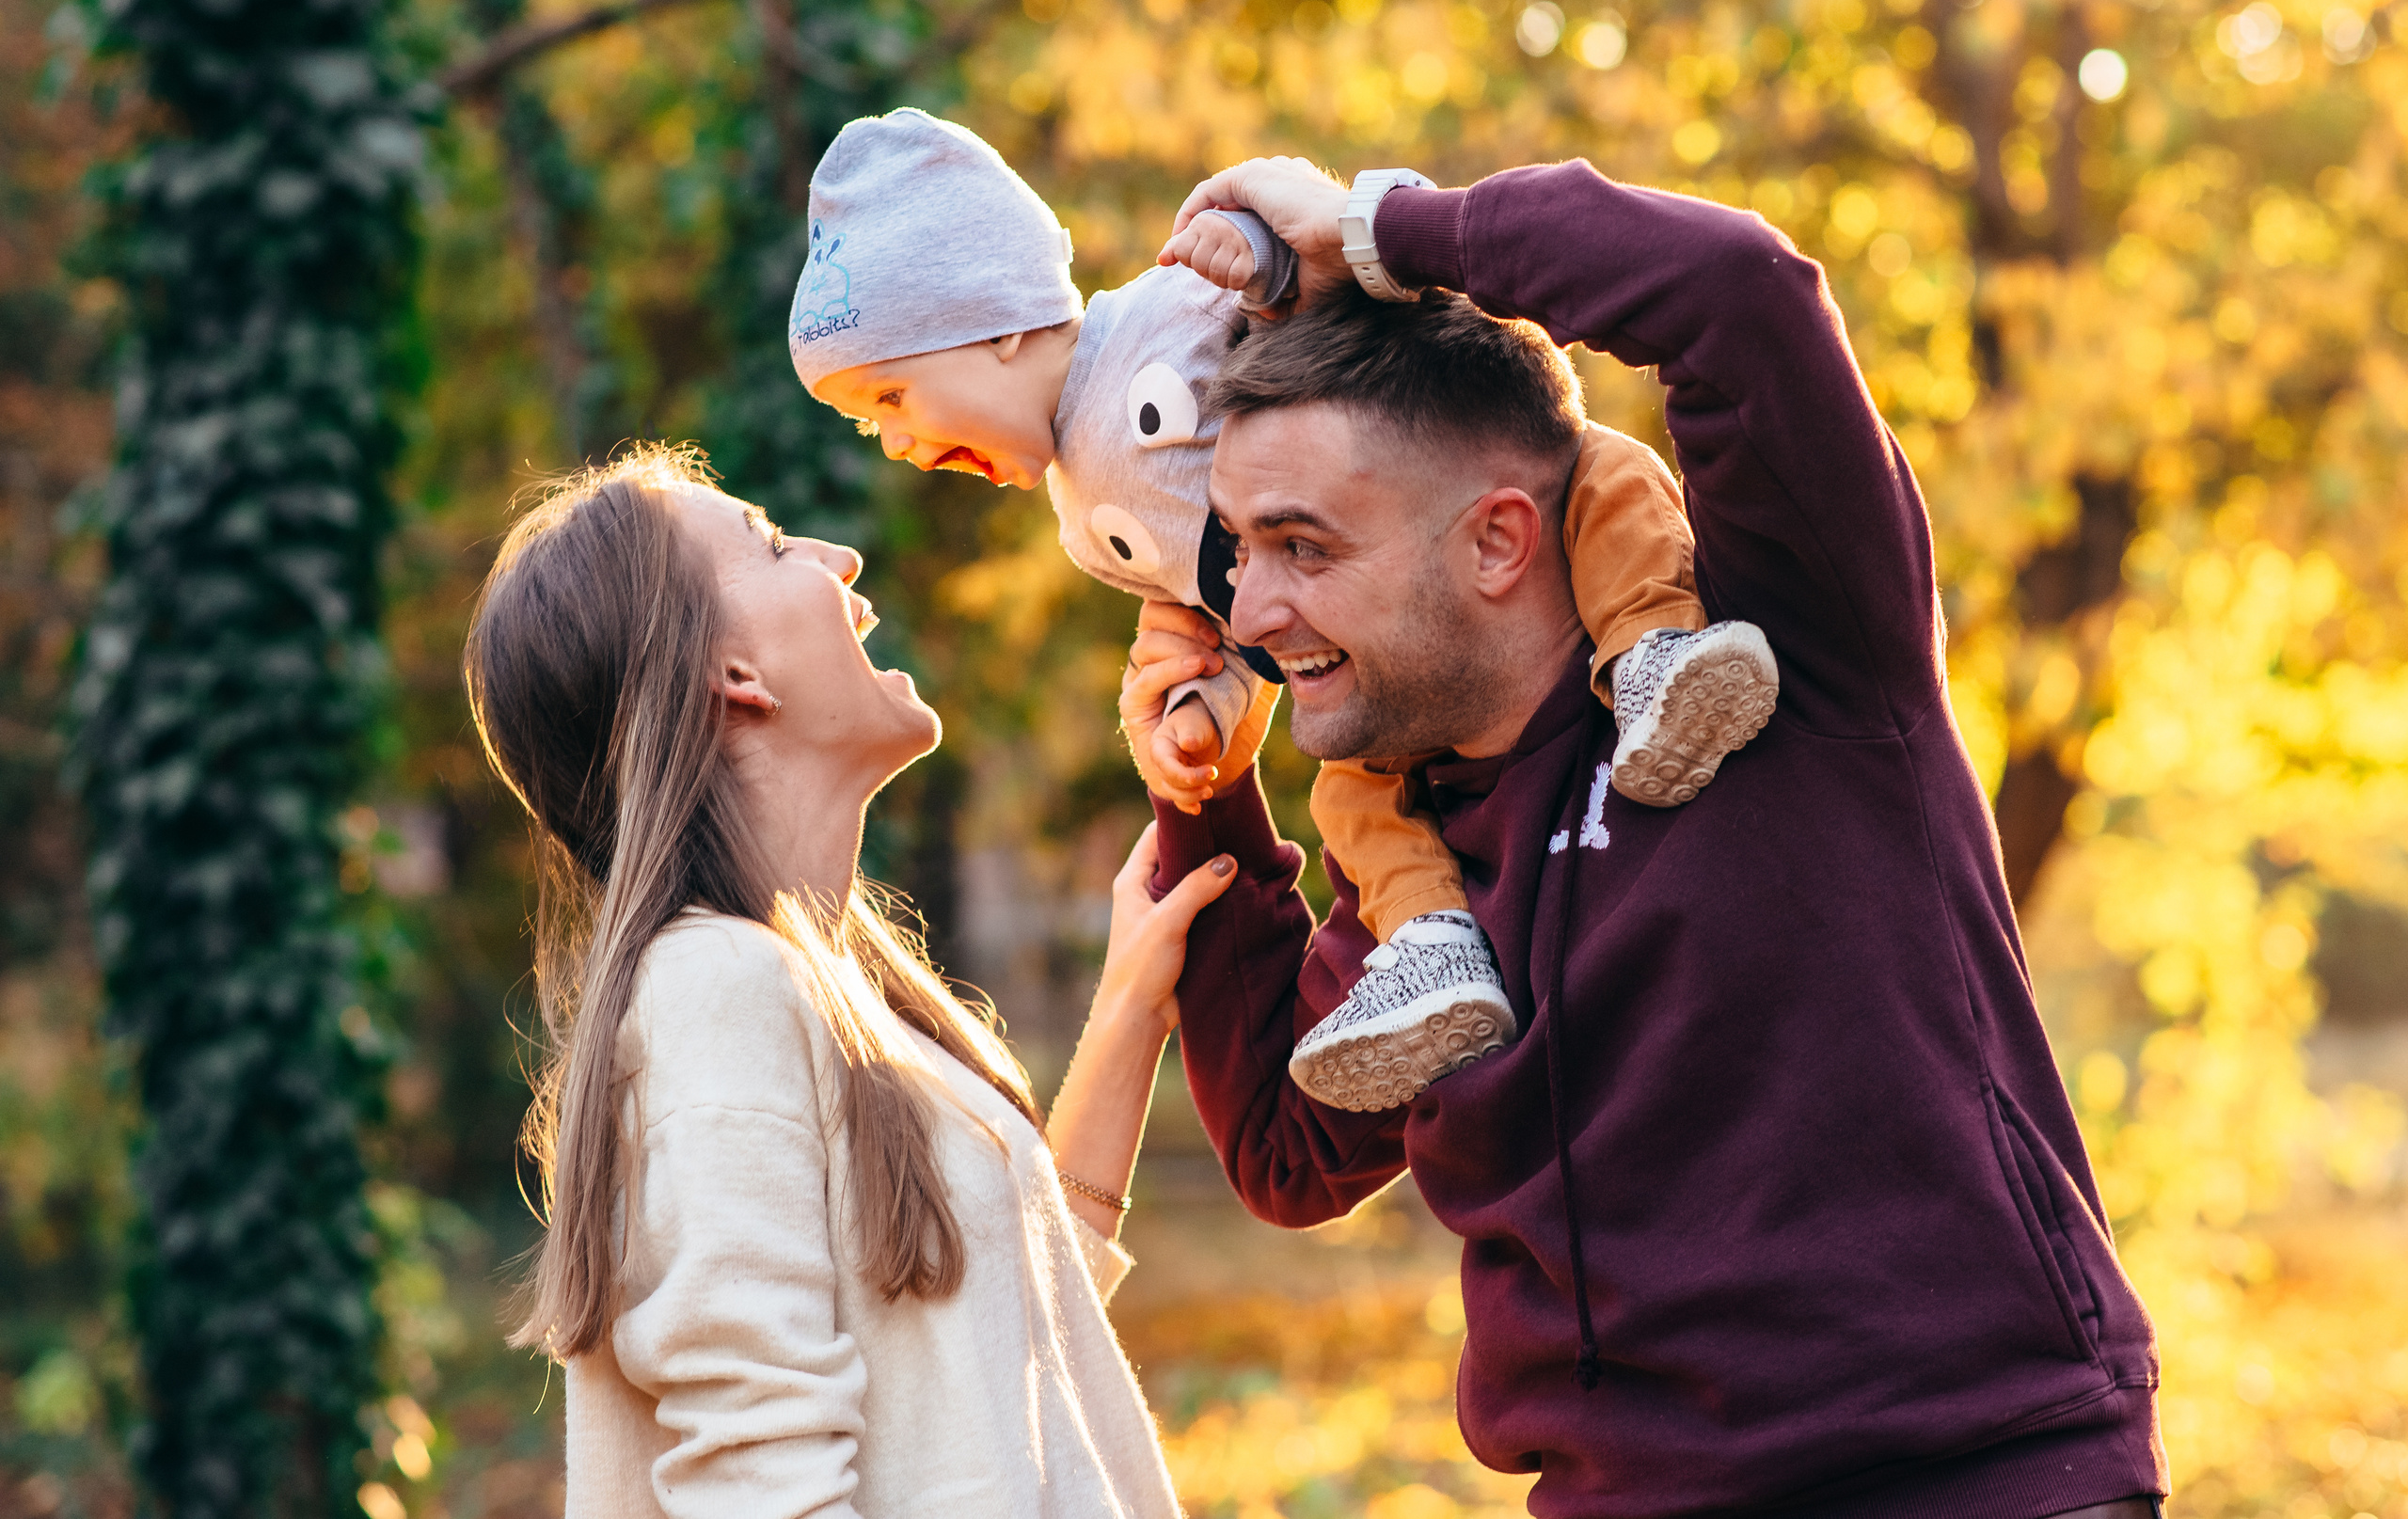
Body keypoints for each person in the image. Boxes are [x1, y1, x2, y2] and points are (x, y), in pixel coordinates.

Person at [1120, 158, 2167, 1517]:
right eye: (1239, 549)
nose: (1250, 613)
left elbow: (1738, 291)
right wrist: (1205, 792)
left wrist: (1387, 228)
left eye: (1301, 547)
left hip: (1980, 1475)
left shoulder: (1788, 639)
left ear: (1497, 540)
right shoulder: (1410, 864)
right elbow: (1284, 1148)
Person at [791, 108, 1779, 1116]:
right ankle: (1430, 947)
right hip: (1367, 675)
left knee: (1606, 477)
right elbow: (1228, 618)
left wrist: (1277, 242)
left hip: (1491, 476)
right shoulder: (1086, 528)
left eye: (892, 398)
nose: (894, 444)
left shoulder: (1154, 318)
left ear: (998, 324)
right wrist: (1207, 733)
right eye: (869, 425)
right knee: (1352, 792)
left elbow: (1295, 270)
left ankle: (1657, 654)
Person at [461, 443, 1230, 1517]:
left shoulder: (819, 983)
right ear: (735, 676)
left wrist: (1133, 1004)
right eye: (777, 546)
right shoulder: (712, 988)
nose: (841, 558)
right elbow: (761, 1484)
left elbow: (999, 1347)